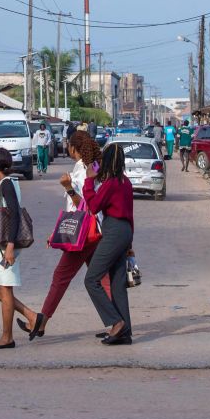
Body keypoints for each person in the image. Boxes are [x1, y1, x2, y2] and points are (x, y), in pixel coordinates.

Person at [19, 129, 111, 341]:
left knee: (61, 277)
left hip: (83, 233)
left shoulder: (80, 171)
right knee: (101, 278)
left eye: (68, 145)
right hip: (95, 229)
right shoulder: (94, 166)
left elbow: (83, 205)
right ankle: (116, 322)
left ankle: (41, 321)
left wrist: (68, 188)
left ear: (73, 148)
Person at [0, 148, 40, 349]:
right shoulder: (7, 183)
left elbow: (14, 214)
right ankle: (31, 315)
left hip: (6, 245)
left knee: (6, 290)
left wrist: (10, 246)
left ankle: (7, 338)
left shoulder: (6, 184)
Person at [82, 142, 134, 345]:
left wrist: (88, 181)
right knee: (117, 283)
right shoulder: (125, 182)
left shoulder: (110, 184)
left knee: (91, 279)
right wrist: (130, 243)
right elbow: (130, 215)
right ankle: (125, 331)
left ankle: (116, 322)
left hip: (113, 230)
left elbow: (93, 206)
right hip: (125, 231)